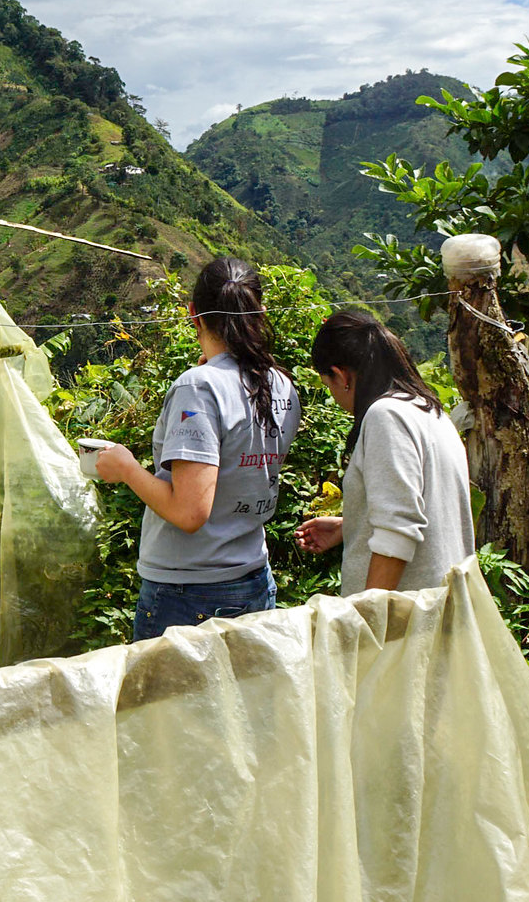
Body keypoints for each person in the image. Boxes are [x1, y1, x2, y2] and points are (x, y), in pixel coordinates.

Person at [93, 258, 301, 639]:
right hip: (253, 578)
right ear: (260, 312)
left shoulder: (199, 387)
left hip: (190, 594)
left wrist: (126, 468)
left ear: (193, 314)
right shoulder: (279, 383)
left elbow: (190, 513)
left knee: (170, 702)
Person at [293, 308, 473, 593]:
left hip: (404, 623)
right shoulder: (429, 410)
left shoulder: (386, 416)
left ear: (342, 376)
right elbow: (422, 510)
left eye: (329, 385)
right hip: (440, 608)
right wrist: (348, 526)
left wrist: (369, 621)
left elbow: (397, 534)